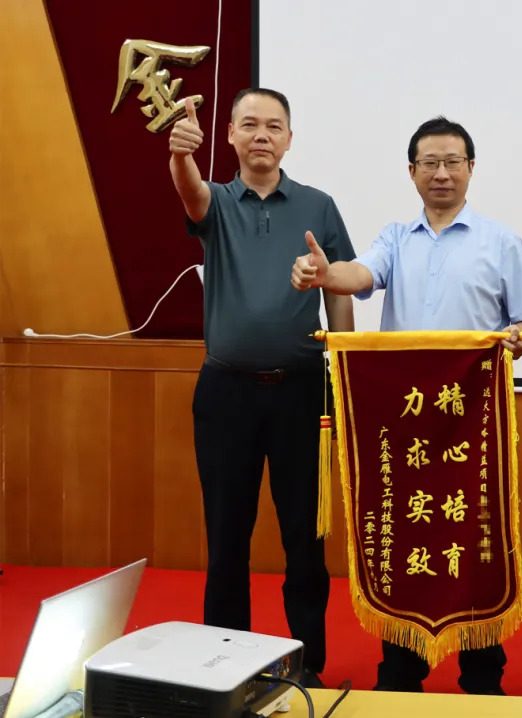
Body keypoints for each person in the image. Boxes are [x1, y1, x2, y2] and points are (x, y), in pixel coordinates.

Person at [290, 116, 522, 695]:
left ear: (471, 169)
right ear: (412, 172)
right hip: (403, 425)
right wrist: (326, 273)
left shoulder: (500, 241)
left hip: (474, 423)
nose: (441, 173)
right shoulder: (395, 239)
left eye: (453, 162)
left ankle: (483, 674)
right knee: (406, 536)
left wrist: (518, 339)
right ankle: (401, 670)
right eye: (430, 163)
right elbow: (359, 276)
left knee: (476, 540)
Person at [168, 87, 356, 688]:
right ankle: (225, 668)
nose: (261, 135)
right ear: (229, 135)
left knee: (305, 538)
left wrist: (344, 367)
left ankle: (308, 663)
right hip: (226, 394)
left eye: (274, 126)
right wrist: (180, 154)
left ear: (289, 139)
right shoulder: (218, 200)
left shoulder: (319, 205)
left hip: (304, 393)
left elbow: (338, 288)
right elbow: (191, 194)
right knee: (227, 536)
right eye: (249, 124)